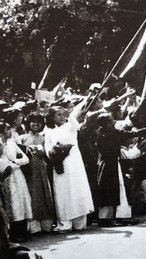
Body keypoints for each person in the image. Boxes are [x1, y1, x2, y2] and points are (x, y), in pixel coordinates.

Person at [95, 113, 146, 226]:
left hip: (108, 165)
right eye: (111, 120)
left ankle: (113, 217)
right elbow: (131, 134)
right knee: (114, 190)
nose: (114, 121)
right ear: (106, 123)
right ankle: (112, 218)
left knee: (113, 190)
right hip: (111, 165)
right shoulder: (110, 134)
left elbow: (130, 134)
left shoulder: (104, 134)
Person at [43, 102, 94, 232]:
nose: (61, 117)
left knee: (77, 189)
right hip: (61, 163)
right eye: (58, 115)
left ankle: (79, 223)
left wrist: (69, 116)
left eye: (62, 114)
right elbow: (47, 148)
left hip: (74, 162)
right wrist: (54, 150)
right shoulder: (49, 130)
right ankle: (65, 223)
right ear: (52, 117)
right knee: (63, 191)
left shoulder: (70, 125)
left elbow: (78, 127)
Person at [19, 114, 55, 235]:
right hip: (29, 170)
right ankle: (34, 226)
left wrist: (42, 152)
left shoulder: (43, 138)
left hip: (42, 169)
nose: (36, 124)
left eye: (38, 122)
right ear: (28, 123)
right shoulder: (22, 138)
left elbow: (48, 154)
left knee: (44, 193)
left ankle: (46, 224)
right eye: (33, 121)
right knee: (32, 195)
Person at [0, 122, 32, 243]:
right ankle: (13, 233)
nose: (10, 132)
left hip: (18, 175)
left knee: (21, 200)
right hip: (6, 177)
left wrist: (15, 162)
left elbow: (26, 159)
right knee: (11, 202)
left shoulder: (12, 144)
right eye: (7, 129)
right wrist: (7, 166)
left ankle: (23, 231)